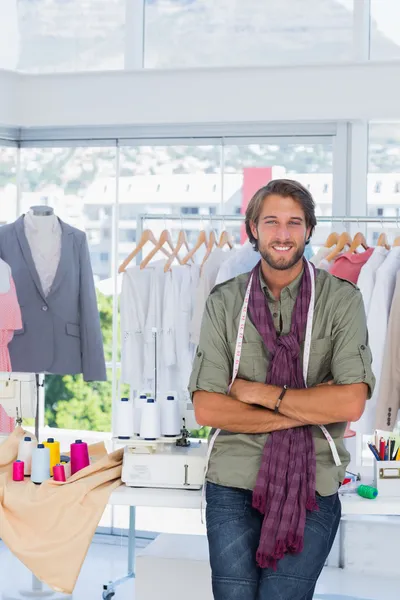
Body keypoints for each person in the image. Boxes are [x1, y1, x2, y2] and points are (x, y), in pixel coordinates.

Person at [189, 179, 375, 600]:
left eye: (294, 222)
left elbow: (350, 401)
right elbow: (207, 409)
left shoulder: (342, 300)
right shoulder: (224, 302)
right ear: (253, 228)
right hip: (233, 477)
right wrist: (307, 407)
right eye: (271, 221)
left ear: (309, 230)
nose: (283, 233)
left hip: (314, 479)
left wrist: (259, 392)